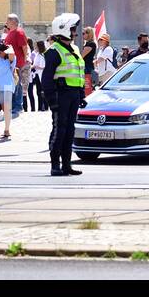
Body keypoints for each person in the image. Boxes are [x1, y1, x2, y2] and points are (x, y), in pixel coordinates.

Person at [42, 13, 86, 177]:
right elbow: (46, 79)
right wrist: (52, 100)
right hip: (61, 95)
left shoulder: (75, 49)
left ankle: (67, 165)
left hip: (73, 95)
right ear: (65, 30)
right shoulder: (53, 51)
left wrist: (81, 94)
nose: (75, 32)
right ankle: (55, 165)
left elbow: (78, 73)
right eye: (73, 29)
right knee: (59, 130)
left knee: (69, 131)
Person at [4, 14, 29, 119]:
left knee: (17, 85)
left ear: (13, 22)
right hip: (10, 63)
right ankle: (13, 106)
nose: (6, 22)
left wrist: (25, 58)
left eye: (8, 21)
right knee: (12, 85)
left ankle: (18, 107)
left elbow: (24, 47)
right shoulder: (10, 32)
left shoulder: (19, 32)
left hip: (17, 63)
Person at [28, 40, 46, 112]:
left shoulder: (42, 55)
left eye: (36, 46)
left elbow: (43, 66)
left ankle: (43, 107)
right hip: (37, 74)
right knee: (38, 92)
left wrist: (34, 66)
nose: (35, 47)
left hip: (41, 75)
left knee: (41, 92)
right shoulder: (37, 54)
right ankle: (39, 107)